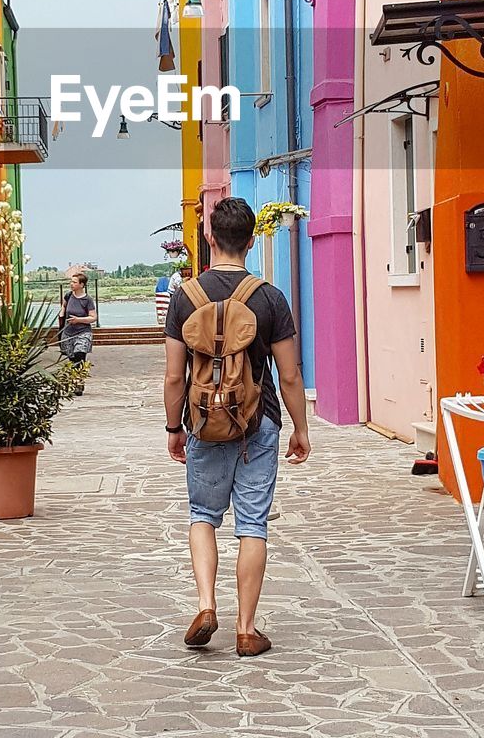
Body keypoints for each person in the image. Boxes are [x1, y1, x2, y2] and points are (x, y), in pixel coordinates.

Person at [163, 197, 310, 657]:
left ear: (209, 238)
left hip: (204, 424)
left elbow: (173, 375)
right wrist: (300, 429)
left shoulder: (185, 296)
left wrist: (174, 427)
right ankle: (247, 629)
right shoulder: (269, 297)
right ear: (251, 241)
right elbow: (289, 374)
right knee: (252, 525)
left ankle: (206, 605)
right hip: (257, 423)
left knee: (202, 516)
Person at [60, 268, 97, 378]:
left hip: (83, 332)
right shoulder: (68, 296)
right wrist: (61, 314)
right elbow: (64, 305)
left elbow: (93, 317)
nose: (71, 284)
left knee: (80, 355)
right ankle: (73, 380)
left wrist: (79, 320)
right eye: (71, 282)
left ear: (82, 285)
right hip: (68, 333)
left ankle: (79, 383)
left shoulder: (87, 300)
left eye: (74, 282)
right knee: (72, 359)